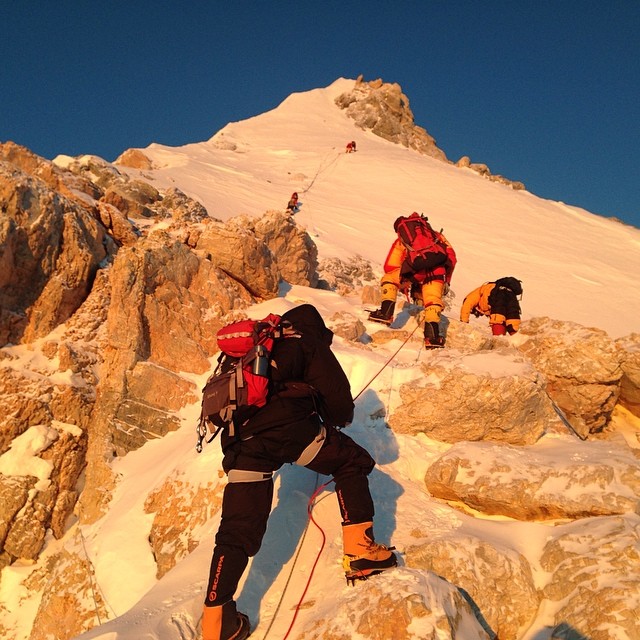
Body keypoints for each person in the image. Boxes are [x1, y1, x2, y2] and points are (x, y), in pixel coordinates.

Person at [202, 304, 397, 640]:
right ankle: (362, 552)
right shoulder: (305, 340)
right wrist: (333, 418)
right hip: (287, 433)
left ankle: (217, 623)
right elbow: (339, 402)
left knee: (237, 529)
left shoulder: (256, 346)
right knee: (352, 461)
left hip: (240, 443)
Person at [368, 214, 456, 348]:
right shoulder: (437, 237)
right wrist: (447, 280)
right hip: (437, 273)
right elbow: (452, 257)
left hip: (415, 272)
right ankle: (432, 338)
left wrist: (405, 279)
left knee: (389, 279)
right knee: (432, 299)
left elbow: (390, 266)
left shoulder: (403, 239)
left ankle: (385, 314)